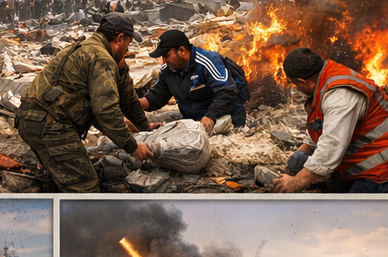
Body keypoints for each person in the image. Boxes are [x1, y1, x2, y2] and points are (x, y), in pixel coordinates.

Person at [16, 12, 154, 192]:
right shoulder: (101, 58)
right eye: (128, 42)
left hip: (33, 120)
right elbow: (105, 110)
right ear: (120, 38)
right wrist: (132, 146)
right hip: (51, 126)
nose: (128, 49)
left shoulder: (87, 48)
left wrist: (145, 130)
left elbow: (127, 101)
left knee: (65, 177)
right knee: (85, 187)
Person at [271, 47, 388, 193]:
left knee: (348, 216)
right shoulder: (326, 76)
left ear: (302, 82)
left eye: (296, 85)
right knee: (302, 162)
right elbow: (325, 125)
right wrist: (297, 160)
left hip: (387, 167)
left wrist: (296, 182)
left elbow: (332, 143)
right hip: (370, 159)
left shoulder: (339, 95)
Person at [139, 29, 247, 135]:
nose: (164, 61)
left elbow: (227, 91)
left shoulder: (207, 61)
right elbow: (157, 96)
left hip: (222, 118)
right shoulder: (168, 70)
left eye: (166, 56)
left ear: (182, 50)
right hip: (194, 122)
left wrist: (210, 116)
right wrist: (137, 104)